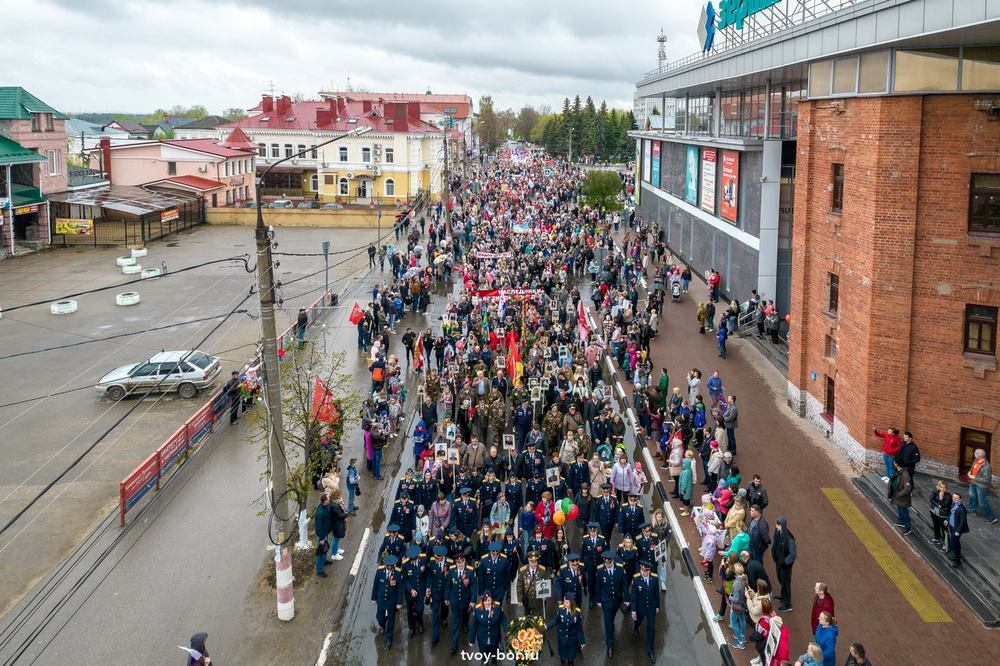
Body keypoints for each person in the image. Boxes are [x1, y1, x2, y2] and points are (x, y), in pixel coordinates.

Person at [595, 550, 627, 657]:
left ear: (612, 560)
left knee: (612, 618)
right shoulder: (600, 571)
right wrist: (598, 600)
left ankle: (611, 625)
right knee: (608, 622)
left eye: (609, 561)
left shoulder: (620, 569)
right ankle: (610, 645)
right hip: (606, 601)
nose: (607, 563)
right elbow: (598, 587)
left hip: (617, 600)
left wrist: (626, 599)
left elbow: (624, 585)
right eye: (605, 561)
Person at [445, 553, 478, 656]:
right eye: (457, 562)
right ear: (456, 562)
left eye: (461, 561)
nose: (459, 564)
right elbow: (448, 585)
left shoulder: (470, 570)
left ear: (464, 561)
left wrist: (473, 600)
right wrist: (446, 597)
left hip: (465, 600)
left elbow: (473, 586)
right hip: (454, 601)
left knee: (465, 616)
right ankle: (454, 645)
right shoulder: (451, 570)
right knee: (455, 622)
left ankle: (465, 623)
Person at [630, 559, 660, 664]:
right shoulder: (636, 578)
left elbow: (656, 593)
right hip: (640, 608)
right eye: (642, 570)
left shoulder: (654, 579)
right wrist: (633, 610)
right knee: (638, 621)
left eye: (646, 571)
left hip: (651, 608)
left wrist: (657, 606)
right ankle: (636, 627)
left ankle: (650, 650)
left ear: (649, 570)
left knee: (651, 629)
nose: (644, 572)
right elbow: (633, 596)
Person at [371, 554, 403, 648]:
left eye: (391, 566)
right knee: (379, 617)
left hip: (391, 601)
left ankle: (389, 638)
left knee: (391, 620)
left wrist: (398, 602)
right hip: (381, 599)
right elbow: (375, 585)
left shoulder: (397, 573)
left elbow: (399, 588)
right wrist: (373, 598)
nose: (389, 568)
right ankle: (382, 625)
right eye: (387, 566)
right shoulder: (380, 571)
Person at [546, 592, 586, 666]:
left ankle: (571, 661)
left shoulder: (577, 613)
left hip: (572, 640)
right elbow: (556, 621)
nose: (565, 604)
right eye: (565, 601)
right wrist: (547, 626)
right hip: (562, 638)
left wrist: (582, 641)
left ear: (572, 603)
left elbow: (579, 628)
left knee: (571, 660)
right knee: (563, 656)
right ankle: (562, 658)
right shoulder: (561, 610)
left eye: (567, 602)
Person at [468, 590, 508, 663]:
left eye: (489, 600)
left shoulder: (497, 607)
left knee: (494, 651)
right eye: (485, 601)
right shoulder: (478, 609)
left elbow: (504, 619)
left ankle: (494, 661)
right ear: (482, 600)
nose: (487, 603)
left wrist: (508, 630)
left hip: (494, 636)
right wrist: (471, 640)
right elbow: (473, 626)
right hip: (482, 637)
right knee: (483, 653)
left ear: (491, 600)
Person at [426, 545, 452, 646]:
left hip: (445, 592)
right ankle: (435, 636)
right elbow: (430, 575)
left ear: (442, 556)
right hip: (436, 591)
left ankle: (444, 618)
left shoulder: (449, 563)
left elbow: (451, 579)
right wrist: (428, 587)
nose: (436, 559)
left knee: (445, 608)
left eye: (438, 558)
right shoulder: (432, 561)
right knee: (435, 614)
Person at [402, 544, 428, 637]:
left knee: (420, 609)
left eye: (414, 558)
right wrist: (411, 590)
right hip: (410, 593)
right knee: (410, 611)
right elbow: (404, 580)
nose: (412, 560)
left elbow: (427, 574)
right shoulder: (405, 564)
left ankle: (420, 622)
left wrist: (427, 587)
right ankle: (411, 627)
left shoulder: (424, 559)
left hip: (421, 590)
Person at [967, 448, 998, 524]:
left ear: (979, 456)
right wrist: (970, 472)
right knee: (972, 496)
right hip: (973, 482)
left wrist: (973, 477)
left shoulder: (987, 467)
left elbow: (986, 480)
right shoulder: (976, 460)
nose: (974, 454)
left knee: (982, 502)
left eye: (975, 453)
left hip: (981, 486)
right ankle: (971, 510)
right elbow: (973, 467)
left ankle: (992, 517)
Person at [772, 516, 796, 611]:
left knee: (786, 583)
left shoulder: (789, 539)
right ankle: (783, 596)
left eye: (778, 525)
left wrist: (785, 562)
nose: (776, 526)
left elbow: (793, 554)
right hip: (778, 562)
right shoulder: (777, 531)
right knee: (780, 579)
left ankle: (788, 604)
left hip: (785, 566)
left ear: (782, 525)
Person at [516, 550, 550, 616]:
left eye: (535, 561)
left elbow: (546, 583)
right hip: (526, 599)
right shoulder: (523, 571)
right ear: (528, 561)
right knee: (527, 618)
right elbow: (519, 585)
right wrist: (520, 599)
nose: (534, 564)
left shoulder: (542, 570)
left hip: (538, 599)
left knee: (536, 618)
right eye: (531, 562)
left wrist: (545, 596)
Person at [888, 460, 913, 535]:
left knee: (904, 512)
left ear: (896, 464)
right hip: (897, 496)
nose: (893, 463)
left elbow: (908, 488)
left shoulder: (905, 474)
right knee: (900, 509)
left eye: (894, 462)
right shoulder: (897, 471)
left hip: (902, 498)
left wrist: (899, 494)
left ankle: (908, 528)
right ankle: (901, 521)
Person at [949, 492, 970, 567]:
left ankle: (957, 561)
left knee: (953, 543)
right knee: (956, 542)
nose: (954, 499)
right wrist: (947, 520)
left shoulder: (962, 509)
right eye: (953, 497)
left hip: (957, 529)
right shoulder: (953, 504)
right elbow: (951, 514)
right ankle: (956, 555)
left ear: (960, 499)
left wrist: (958, 531)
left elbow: (962, 521)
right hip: (952, 526)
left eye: (956, 498)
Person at [928, 479, 951, 546]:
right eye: (941, 487)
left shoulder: (948, 496)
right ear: (938, 486)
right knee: (936, 526)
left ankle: (946, 545)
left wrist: (941, 498)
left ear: (946, 488)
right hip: (934, 512)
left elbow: (944, 505)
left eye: (944, 487)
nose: (942, 489)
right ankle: (936, 538)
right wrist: (938, 505)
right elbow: (930, 499)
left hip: (942, 515)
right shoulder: (936, 491)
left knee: (944, 529)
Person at [313, 494, 332, 577]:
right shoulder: (320, 512)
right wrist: (321, 538)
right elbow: (319, 526)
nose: (329, 500)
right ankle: (319, 570)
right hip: (322, 535)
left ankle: (324, 561)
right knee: (320, 552)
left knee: (324, 549)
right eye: (328, 499)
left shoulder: (324, 507)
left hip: (325, 533)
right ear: (325, 501)